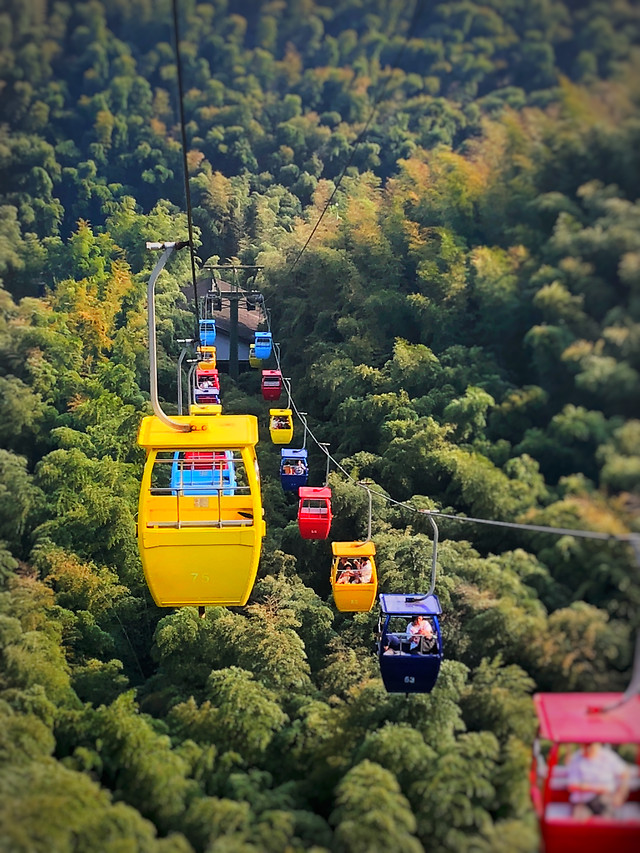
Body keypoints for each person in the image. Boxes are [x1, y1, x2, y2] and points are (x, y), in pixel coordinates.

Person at [567, 742, 631, 819]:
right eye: (586, 744)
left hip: (604, 800)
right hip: (582, 801)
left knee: (609, 821)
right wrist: (598, 788)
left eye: (591, 744)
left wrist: (620, 795)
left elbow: (625, 773)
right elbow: (572, 785)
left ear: (598, 744)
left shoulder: (608, 756)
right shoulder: (576, 758)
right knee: (579, 822)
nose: (588, 748)